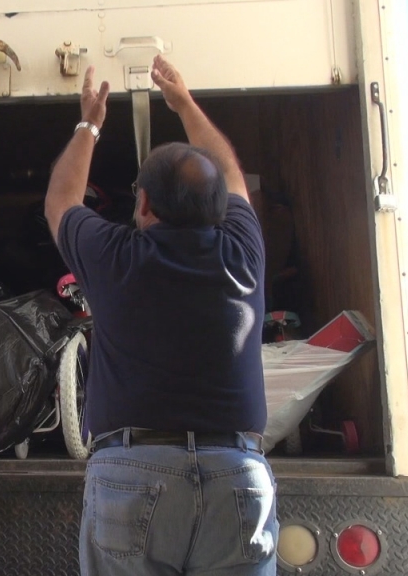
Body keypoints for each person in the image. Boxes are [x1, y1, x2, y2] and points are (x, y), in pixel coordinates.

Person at [44, 56, 278, 576]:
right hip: (238, 472)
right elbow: (233, 174)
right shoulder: (244, 250)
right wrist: (185, 104)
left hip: (133, 470)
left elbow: (61, 199)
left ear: (143, 203)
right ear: (221, 206)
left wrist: (89, 124)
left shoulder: (113, 256)